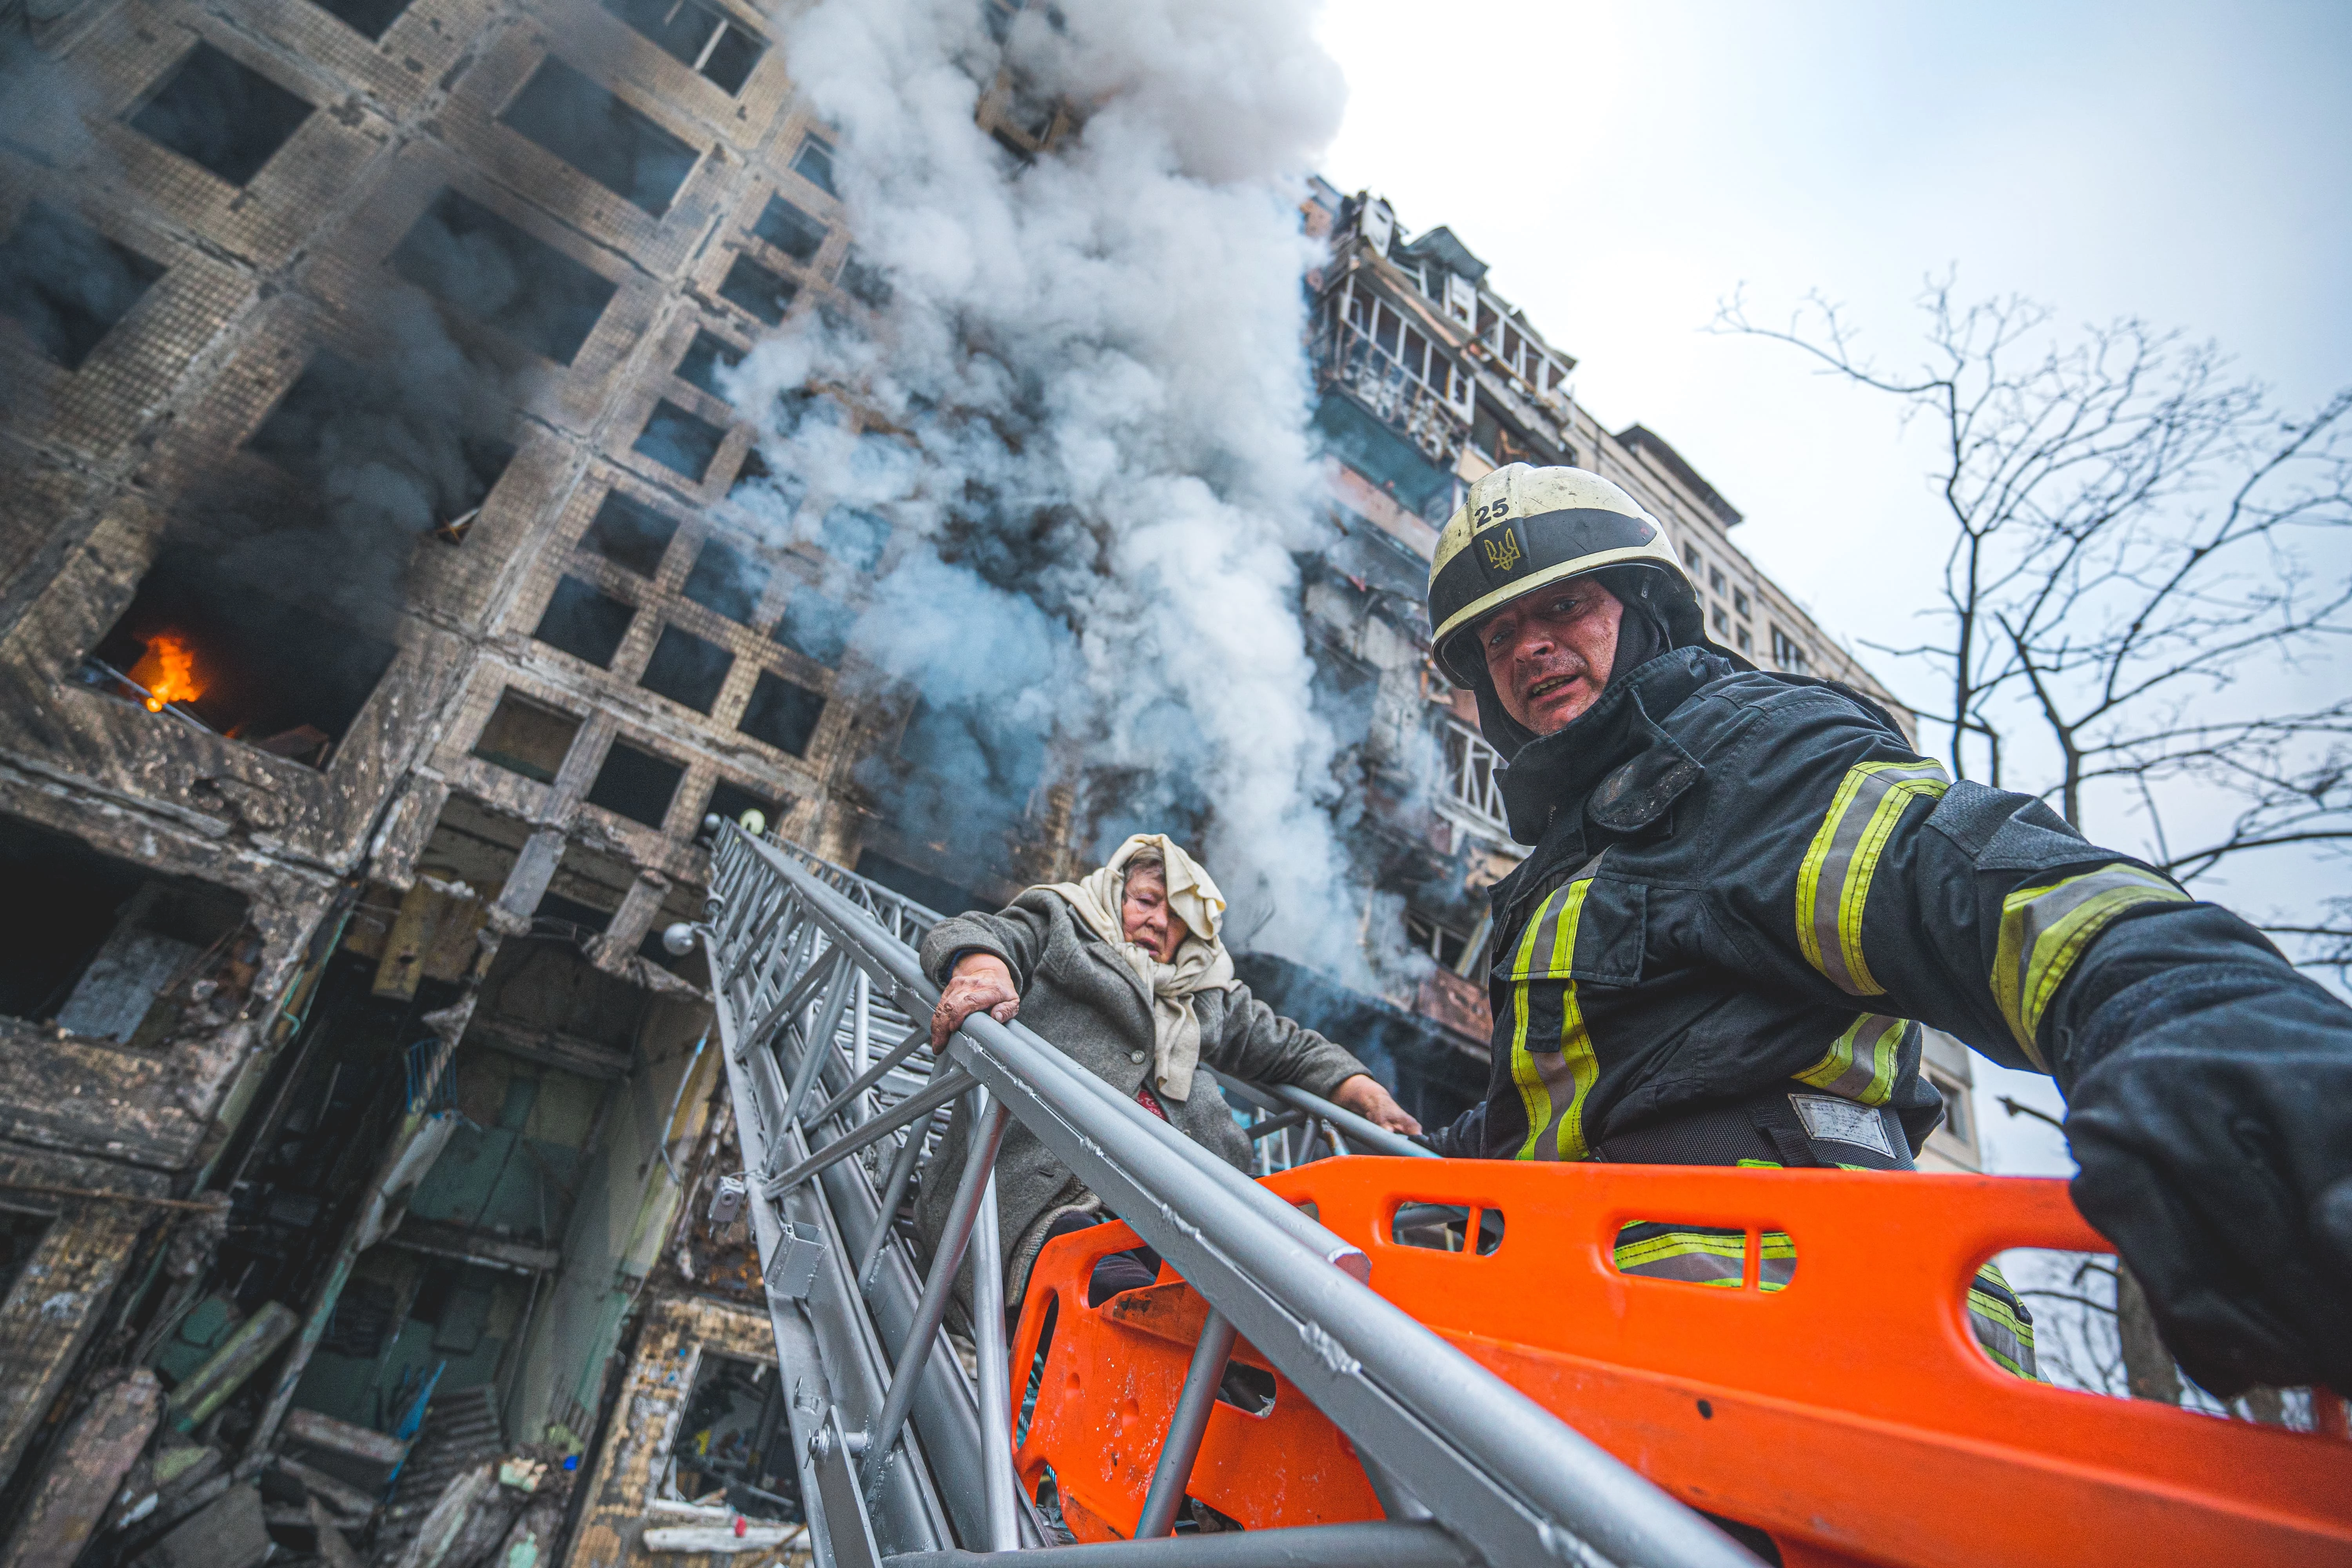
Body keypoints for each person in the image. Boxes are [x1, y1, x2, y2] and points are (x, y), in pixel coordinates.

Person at [1417, 461, 2352, 1398]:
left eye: (1566, 607)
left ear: (1643, 607)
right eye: (1500, 634)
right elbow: (1595, 1100)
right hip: (1635, 1347)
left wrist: (2182, 1015)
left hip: (1806, 1342)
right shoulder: (1570, 861)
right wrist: (1416, 1146)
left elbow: (1963, 879)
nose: (1532, 647)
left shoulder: (1744, 758)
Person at [919, 833, 1419, 1312]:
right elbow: (975, 932)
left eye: (1177, 914)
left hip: (1189, 1209)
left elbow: (1288, 1047)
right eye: (1147, 900)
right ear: (1118, 892)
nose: (1159, 920)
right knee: (1120, 1301)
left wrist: (1363, 1091)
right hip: (1056, 1193)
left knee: (1285, 1313)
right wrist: (986, 972)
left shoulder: (1208, 989)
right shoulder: (1064, 923)